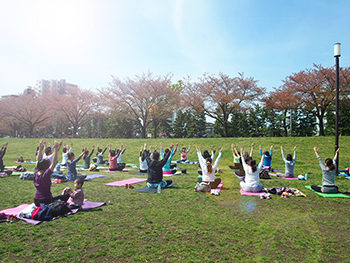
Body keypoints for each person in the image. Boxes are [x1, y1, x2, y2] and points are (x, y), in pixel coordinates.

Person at [33, 140, 69, 207]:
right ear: (46, 167)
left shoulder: (36, 172)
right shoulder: (45, 175)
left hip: (36, 200)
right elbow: (54, 163)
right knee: (67, 196)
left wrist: (40, 148)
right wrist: (55, 149)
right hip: (46, 200)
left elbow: (38, 160)